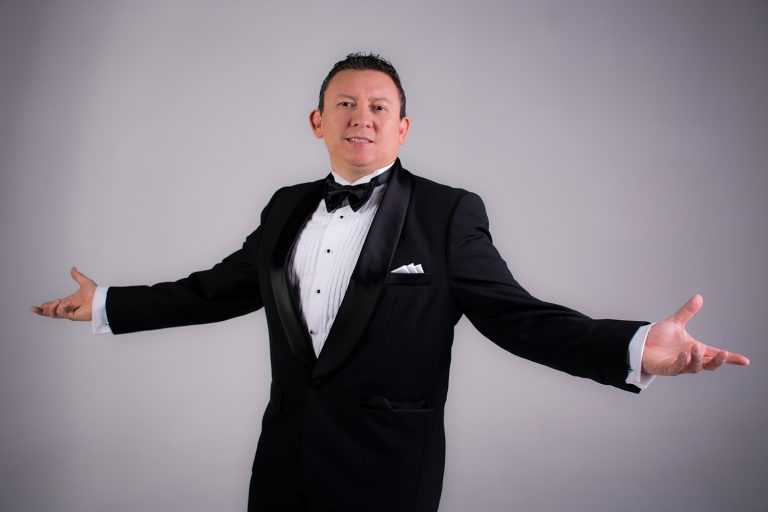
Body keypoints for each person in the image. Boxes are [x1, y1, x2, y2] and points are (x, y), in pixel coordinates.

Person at [32, 53, 749, 512]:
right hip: (284, 464)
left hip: (388, 471)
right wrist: (106, 303)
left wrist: (634, 346)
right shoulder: (285, 207)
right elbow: (217, 289)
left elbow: (518, 318)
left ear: (403, 128)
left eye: (379, 107)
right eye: (345, 104)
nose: (362, 118)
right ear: (317, 121)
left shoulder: (447, 213)